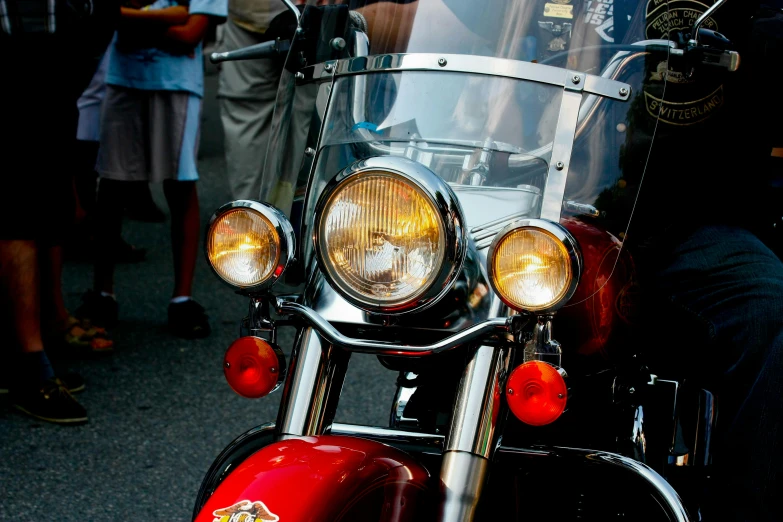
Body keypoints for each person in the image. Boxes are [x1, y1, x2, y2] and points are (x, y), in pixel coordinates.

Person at [77, 0, 228, 338]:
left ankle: (182, 298)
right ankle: (102, 293)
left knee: (180, 184)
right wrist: (163, 20)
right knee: (112, 185)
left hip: (176, 81)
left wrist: (129, 22)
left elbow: (191, 33)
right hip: (123, 78)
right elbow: (104, 17)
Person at [0, 0, 119, 423]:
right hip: (17, 50)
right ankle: (29, 366)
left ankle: (32, 344)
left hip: (56, 58)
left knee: (46, 203)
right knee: (16, 212)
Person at [217, 0, 287, 200]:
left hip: (315, 15)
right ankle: (250, 215)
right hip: (251, 18)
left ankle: (250, 216)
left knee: (316, 105)